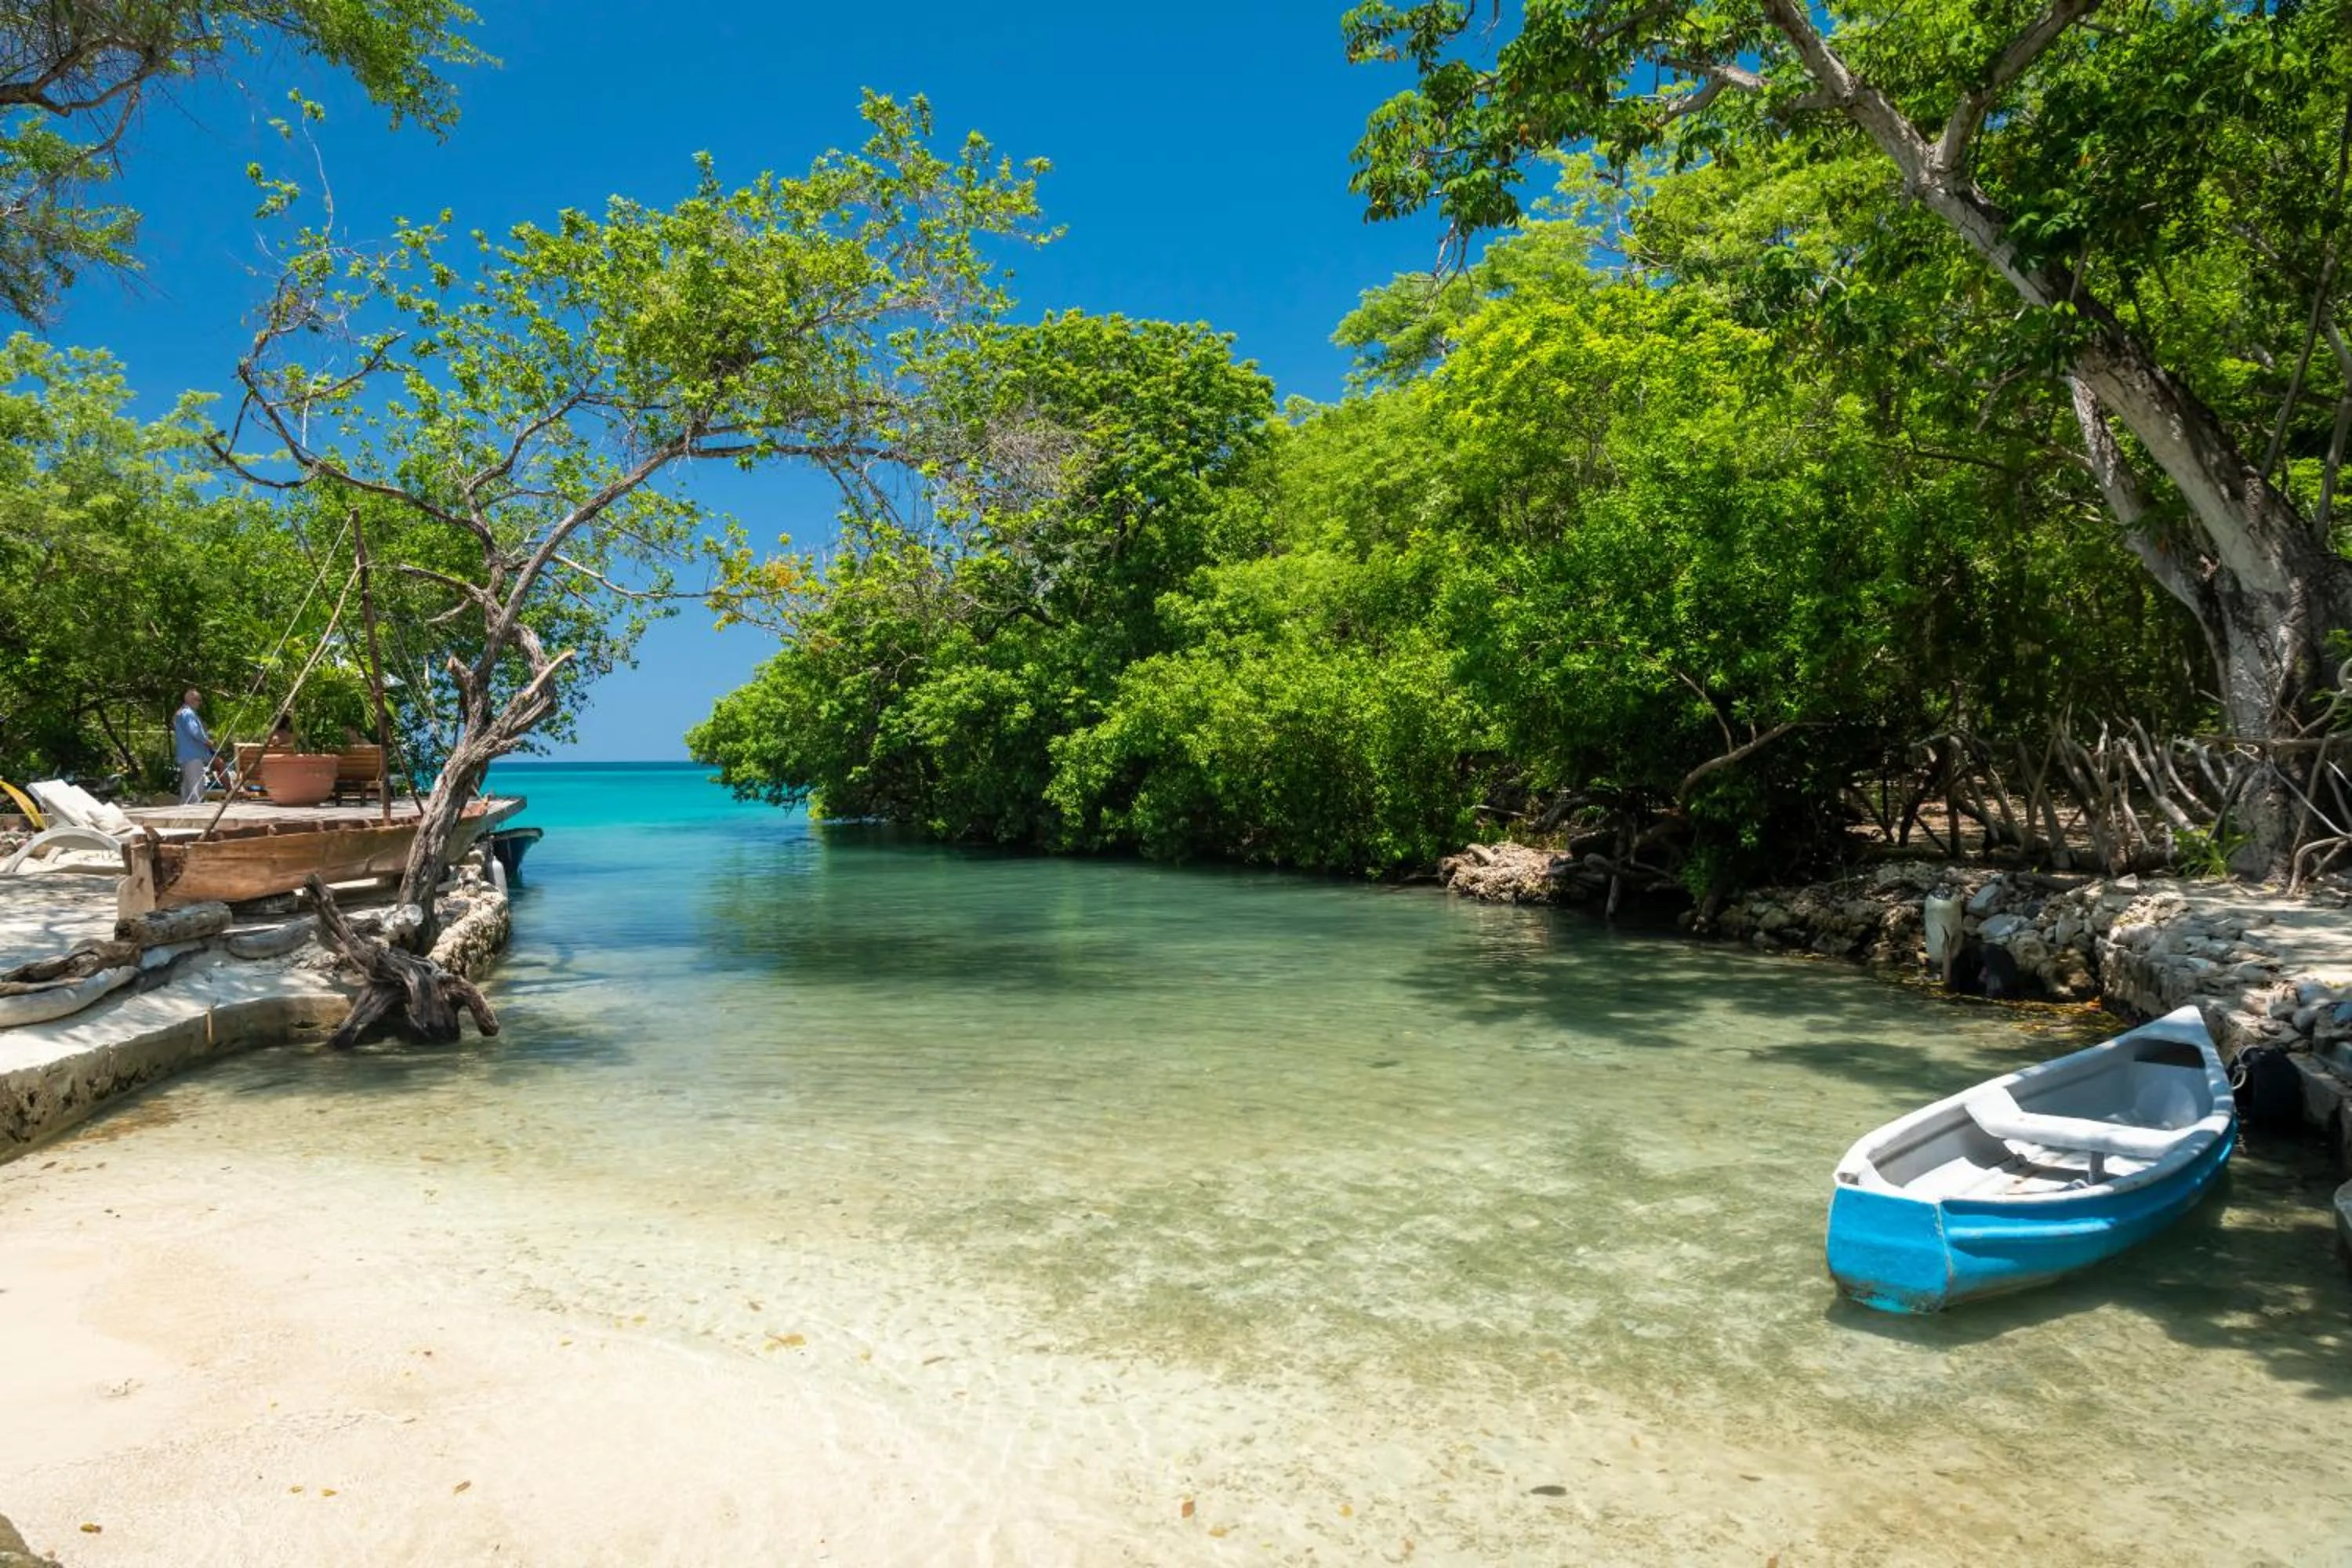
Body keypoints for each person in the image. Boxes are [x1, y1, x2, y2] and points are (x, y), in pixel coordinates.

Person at [172, 688, 216, 804]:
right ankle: (197, 811)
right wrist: (207, 741)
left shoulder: (181, 713)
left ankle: (185, 810)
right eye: (198, 700)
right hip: (193, 756)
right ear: (191, 700)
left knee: (187, 788)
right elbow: (195, 731)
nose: (200, 703)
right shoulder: (188, 713)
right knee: (196, 788)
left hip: (185, 755)